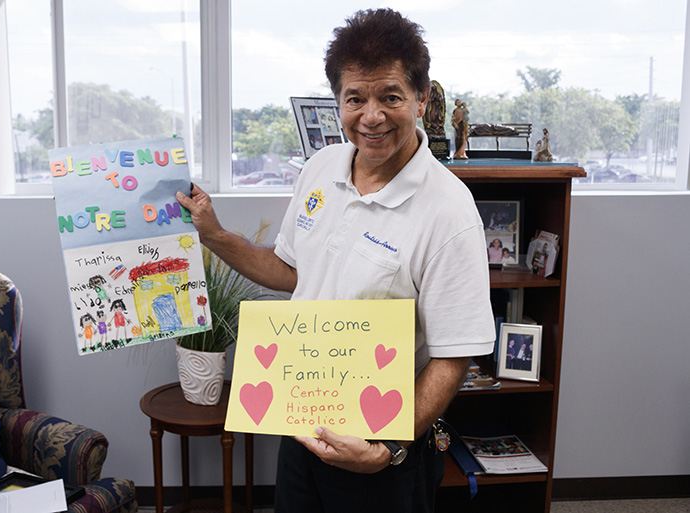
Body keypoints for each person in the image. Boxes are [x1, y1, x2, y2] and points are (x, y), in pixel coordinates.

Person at [177, 8, 494, 513]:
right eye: (355, 99)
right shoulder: (321, 168)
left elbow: (455, 353)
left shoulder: (449, 211)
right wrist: (214, 235)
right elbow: (292, 273)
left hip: (382, 447)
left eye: (390, 96)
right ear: (338, 102)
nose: (371, 116)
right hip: (302, 425)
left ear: (421, 98)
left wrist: (388, 446)